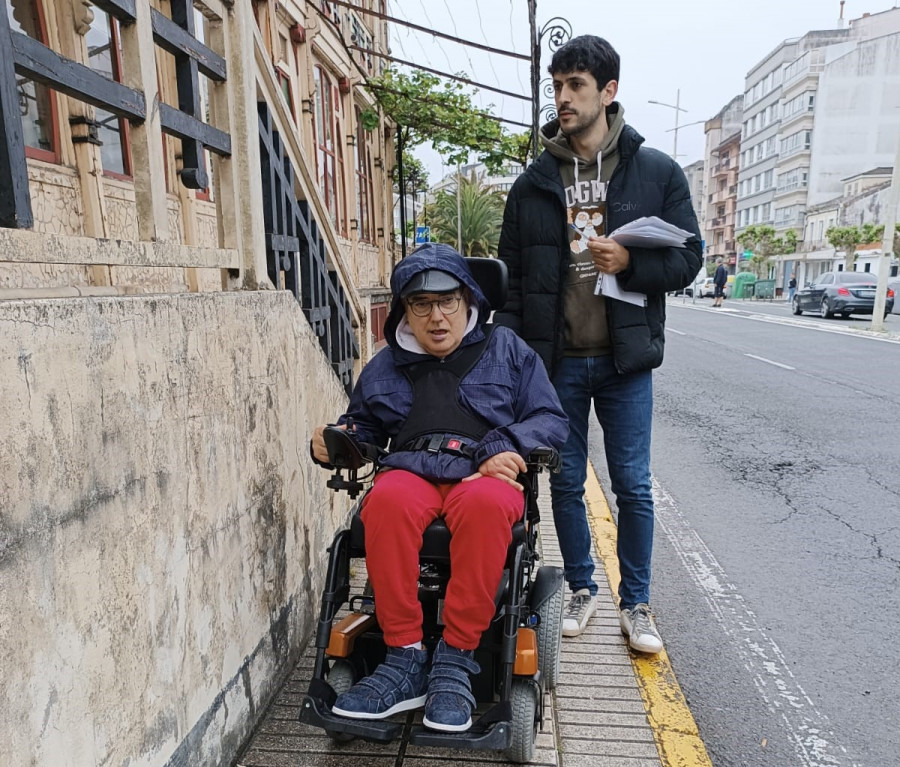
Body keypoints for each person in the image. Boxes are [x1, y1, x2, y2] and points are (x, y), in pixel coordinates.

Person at [495, 35, 701, 653]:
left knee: (632, 484)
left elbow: (690, 257)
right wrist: (511, 361)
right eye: (556, 85)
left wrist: (631, 262)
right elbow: (508, 281)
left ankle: (636, 604)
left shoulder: (655, 171)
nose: (562, 97)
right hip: (555, 363)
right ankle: (582, 587)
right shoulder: (533, 184)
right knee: (563, 484)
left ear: (608, 92)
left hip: (624, 361)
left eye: (575, 85)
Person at [311, 243, 568, 732]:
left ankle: (456, 656)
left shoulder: (508, 350)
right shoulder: (386, 365)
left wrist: (505, 443)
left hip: (482, 473)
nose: (436, 317)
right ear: (403, 309)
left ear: (468, 299)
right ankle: (404, 655)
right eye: (420, 305)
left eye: (447, 301)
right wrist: (336, 442)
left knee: (489, 503)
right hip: (411, 470)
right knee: (384, 500)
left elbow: (550, 418)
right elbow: (362, 427)